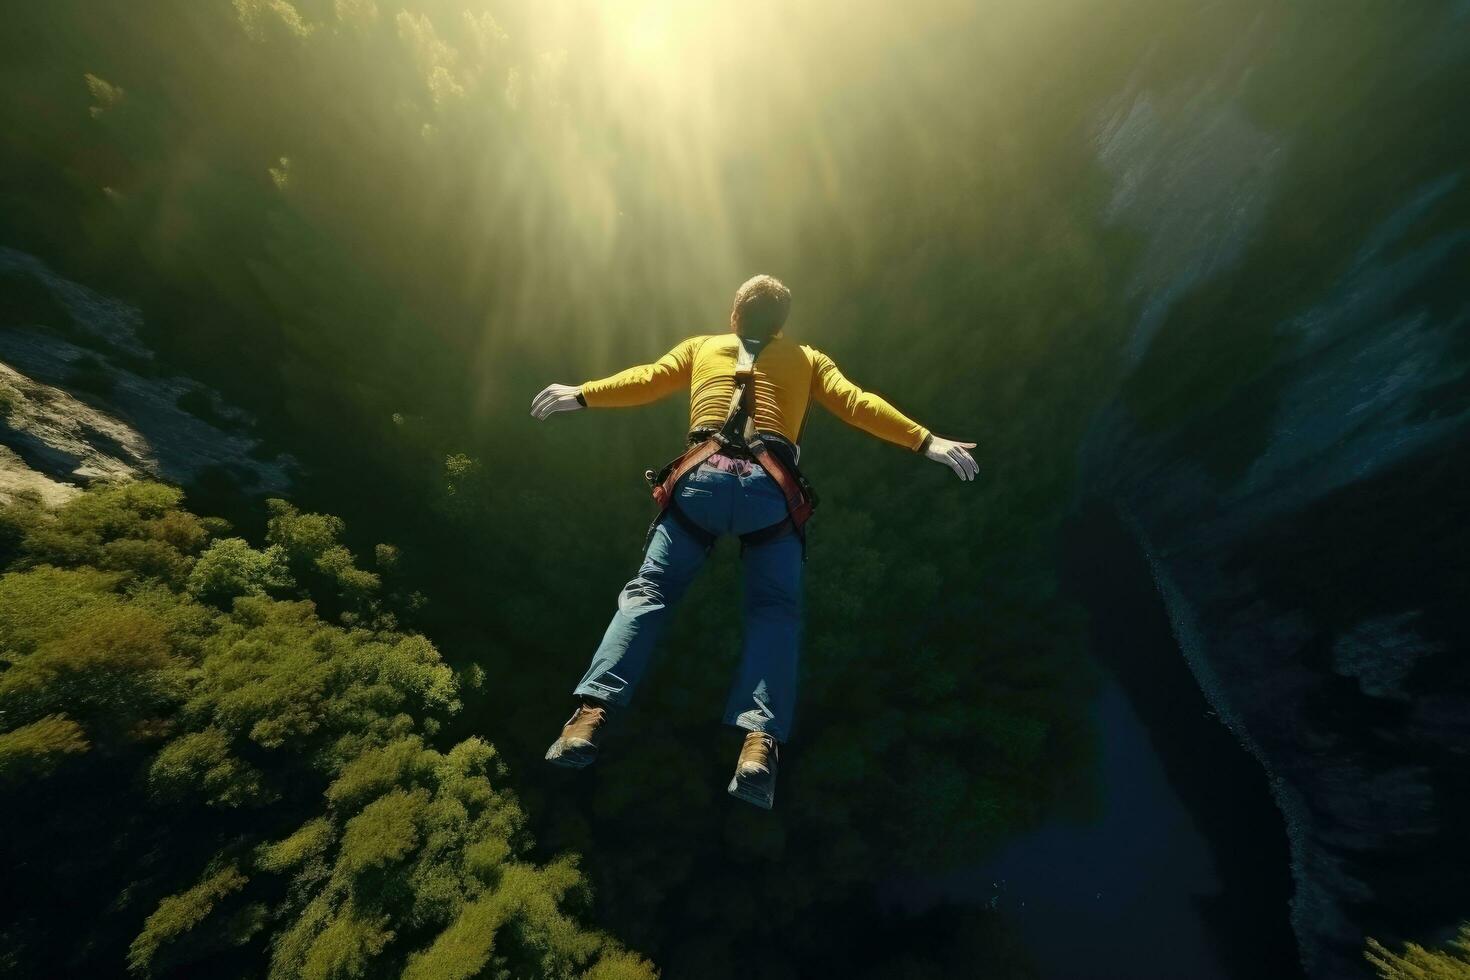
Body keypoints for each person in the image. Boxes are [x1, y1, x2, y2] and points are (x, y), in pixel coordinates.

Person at [529, 275, 977, 809]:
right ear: (782, 324)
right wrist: (927, 441)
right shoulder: (808, 359)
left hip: (701, 482)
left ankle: (589, 716)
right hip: (771, 493)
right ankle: (757, 747)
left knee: (650, 592)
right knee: (775, 611)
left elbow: (646, 380)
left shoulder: (702, 347)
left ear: (735, 312)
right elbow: (857, 403)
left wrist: (580, 395)